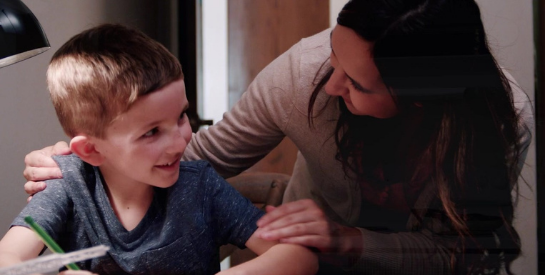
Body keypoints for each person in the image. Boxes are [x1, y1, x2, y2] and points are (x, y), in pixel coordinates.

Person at [22, 0, 534, 274]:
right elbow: (193, 158)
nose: (330, 85)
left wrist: (344, 240)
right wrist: (84, 160)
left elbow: (463, 252)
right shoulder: (303, 75)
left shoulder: (497, 120)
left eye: (356, 83)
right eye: (334, 57)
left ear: (422, 97)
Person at [0, 24, 318, 275]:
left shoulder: (201, 187)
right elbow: (7, 258)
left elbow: (300, 256)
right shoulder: (67, 185)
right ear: (92, 151)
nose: (182, 140)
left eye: (181, 116)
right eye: (151, 132)